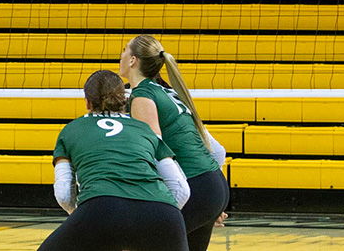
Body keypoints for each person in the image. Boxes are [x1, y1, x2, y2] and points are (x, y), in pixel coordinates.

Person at [38, 70, 191, 251]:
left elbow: (64, 194)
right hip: (163, 214)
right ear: (124, 99)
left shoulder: (71, 130)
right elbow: (181, 189)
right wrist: (157, 216)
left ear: (87, 102)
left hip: (101, 208)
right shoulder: (145, 130)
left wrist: (82, 216)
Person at [120, 35, 230, 251]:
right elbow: (217, 152)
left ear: (133, 60)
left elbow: (153, 155)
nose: (121, 55)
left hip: (195, 189)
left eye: (124, 50)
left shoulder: (142, 96)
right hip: (213, 185)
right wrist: (212, 200)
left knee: (139, 245)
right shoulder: (168, 91)